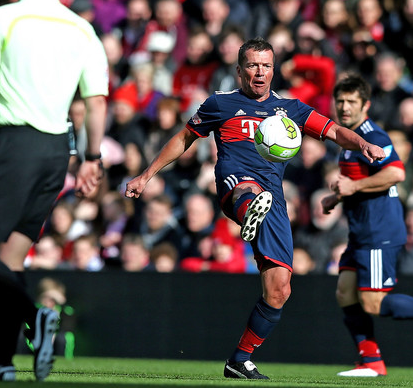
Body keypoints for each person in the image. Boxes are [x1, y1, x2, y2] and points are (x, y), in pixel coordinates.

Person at [125, 37, 386, 380]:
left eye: (266, 66)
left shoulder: (290, 109)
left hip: (274, 200)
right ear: (239, 71)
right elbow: (184, 139)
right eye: (252, 65)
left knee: (279, 289)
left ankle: (240, 359)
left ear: (274, 70)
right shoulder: (220, 104)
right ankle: (249, 210)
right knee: (247, 188)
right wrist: (146, 175)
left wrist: (364, 142)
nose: (259, 72)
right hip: (237, 184)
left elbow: (334, 130)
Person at [0, 0, 108, 381]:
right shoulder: (81, 27)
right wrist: (92, 157)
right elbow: (97, 100)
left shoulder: (3, 18)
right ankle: (1, 362)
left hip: (16, 144)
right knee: (11, 259)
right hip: (58, 151)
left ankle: (35, 318)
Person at [321, 76, 413, 377]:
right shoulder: (348, 140)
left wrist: (351, 187)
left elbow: (396, 173)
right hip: (360, 230)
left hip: (378, 230)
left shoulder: (373, 136)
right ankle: (371, 361)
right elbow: (355, 185)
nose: (344, 107)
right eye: (341, 101)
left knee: (374, 303)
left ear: (366, 105)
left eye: (351, 102)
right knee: (346, 293)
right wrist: (334, 198)